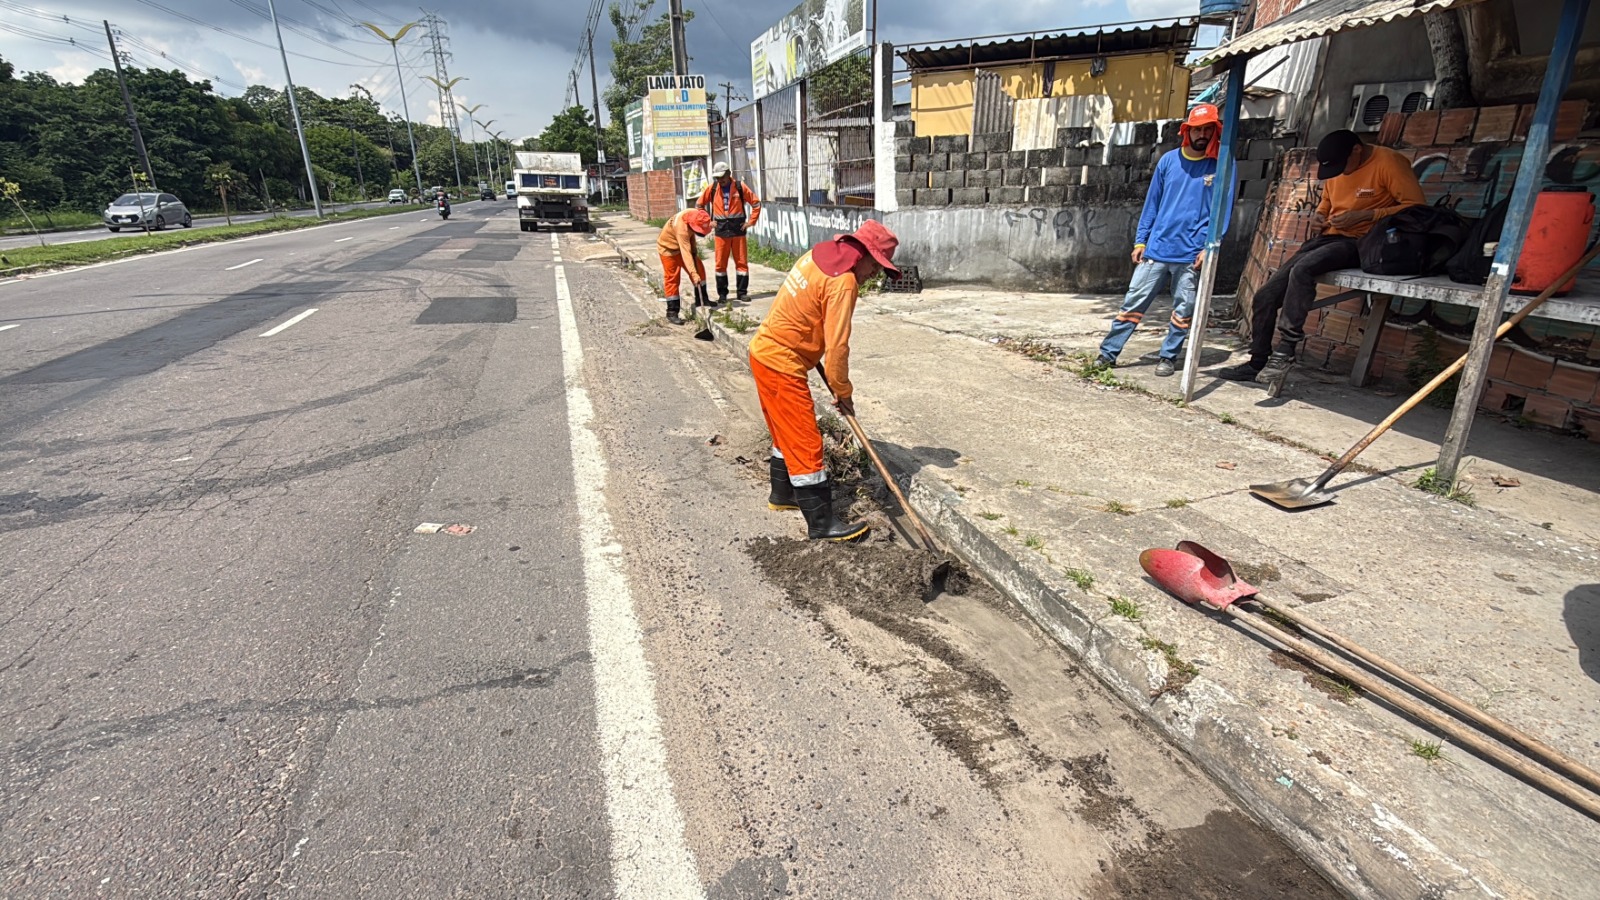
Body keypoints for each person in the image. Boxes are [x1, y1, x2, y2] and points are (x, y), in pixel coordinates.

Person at [1216, 128, 1425, 382]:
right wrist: (1319, 216)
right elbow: (1327, 201)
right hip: (1329, 236)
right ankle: (1257, 361)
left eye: (1342, 165)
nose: (1340, 172)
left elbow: (1416, 208)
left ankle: (1286, 350)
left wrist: (1366, 215)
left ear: (1357, 150)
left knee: (1304, 268)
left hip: (1365, 242)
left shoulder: (1388, 162)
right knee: (1266, 295)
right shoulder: (1338, 169)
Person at [748, 220, 900, 541]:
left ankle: (783, 495)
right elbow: (838, 348)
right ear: (864, 255)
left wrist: (810, 343)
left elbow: (804, 309)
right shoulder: (844, 282)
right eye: (876, 265)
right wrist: (842, 391)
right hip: (781, 363)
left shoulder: (817, 255)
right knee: (805, 442)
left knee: (784, 432)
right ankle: (822, 524)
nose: (875, 274)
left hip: (763, 350)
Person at [1096, 103, 1230, 377]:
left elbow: (1224, 208)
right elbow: (1152, 203)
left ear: (1215, 131)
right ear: (1187, 132)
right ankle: (1107, 354)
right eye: (1197, 129)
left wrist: (1211, 245)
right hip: (1156, 249)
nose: (1202, 134)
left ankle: (1168, 357)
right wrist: (1140, 241)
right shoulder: (1168, 161)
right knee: (1132, 304)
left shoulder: (1222, 163)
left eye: (1208, 129)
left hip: (1191, 254)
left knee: (1184, 309)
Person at [696, 162, 763, 305]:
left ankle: (742, 293)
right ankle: (722, 295)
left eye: (722, 177)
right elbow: (699, 205)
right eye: (717, 178)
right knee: (720, 265)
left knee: (742, 263)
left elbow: (756, 204)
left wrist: (751, 222)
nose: (720, 180)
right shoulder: (713, 188)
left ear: (729, 174)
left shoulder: (740, 187)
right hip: (721, 231)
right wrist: (708, 221)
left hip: (738, 230)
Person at [656, 208, 715, 325]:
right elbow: (685, 253)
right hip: (668, 249)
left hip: (683, 247)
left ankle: (702, 299)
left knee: (700, 269)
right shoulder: (681, 229)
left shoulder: (695, 214)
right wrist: (693, 274)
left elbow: (691, 235)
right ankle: (672, 312)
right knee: (672, 278)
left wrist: (694, 251)